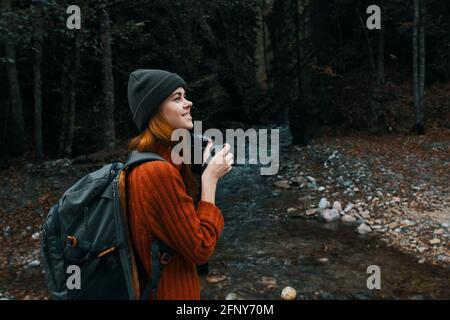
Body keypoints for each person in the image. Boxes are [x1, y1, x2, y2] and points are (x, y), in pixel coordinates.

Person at [118, 69, 233, 300]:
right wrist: (210, 179)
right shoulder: (156, 172)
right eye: (177, 98)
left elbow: (177, 225)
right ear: (155, 111)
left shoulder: (143, 160)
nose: (188, 103)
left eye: (185, 96)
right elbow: (200, 248)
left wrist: (195, 165)